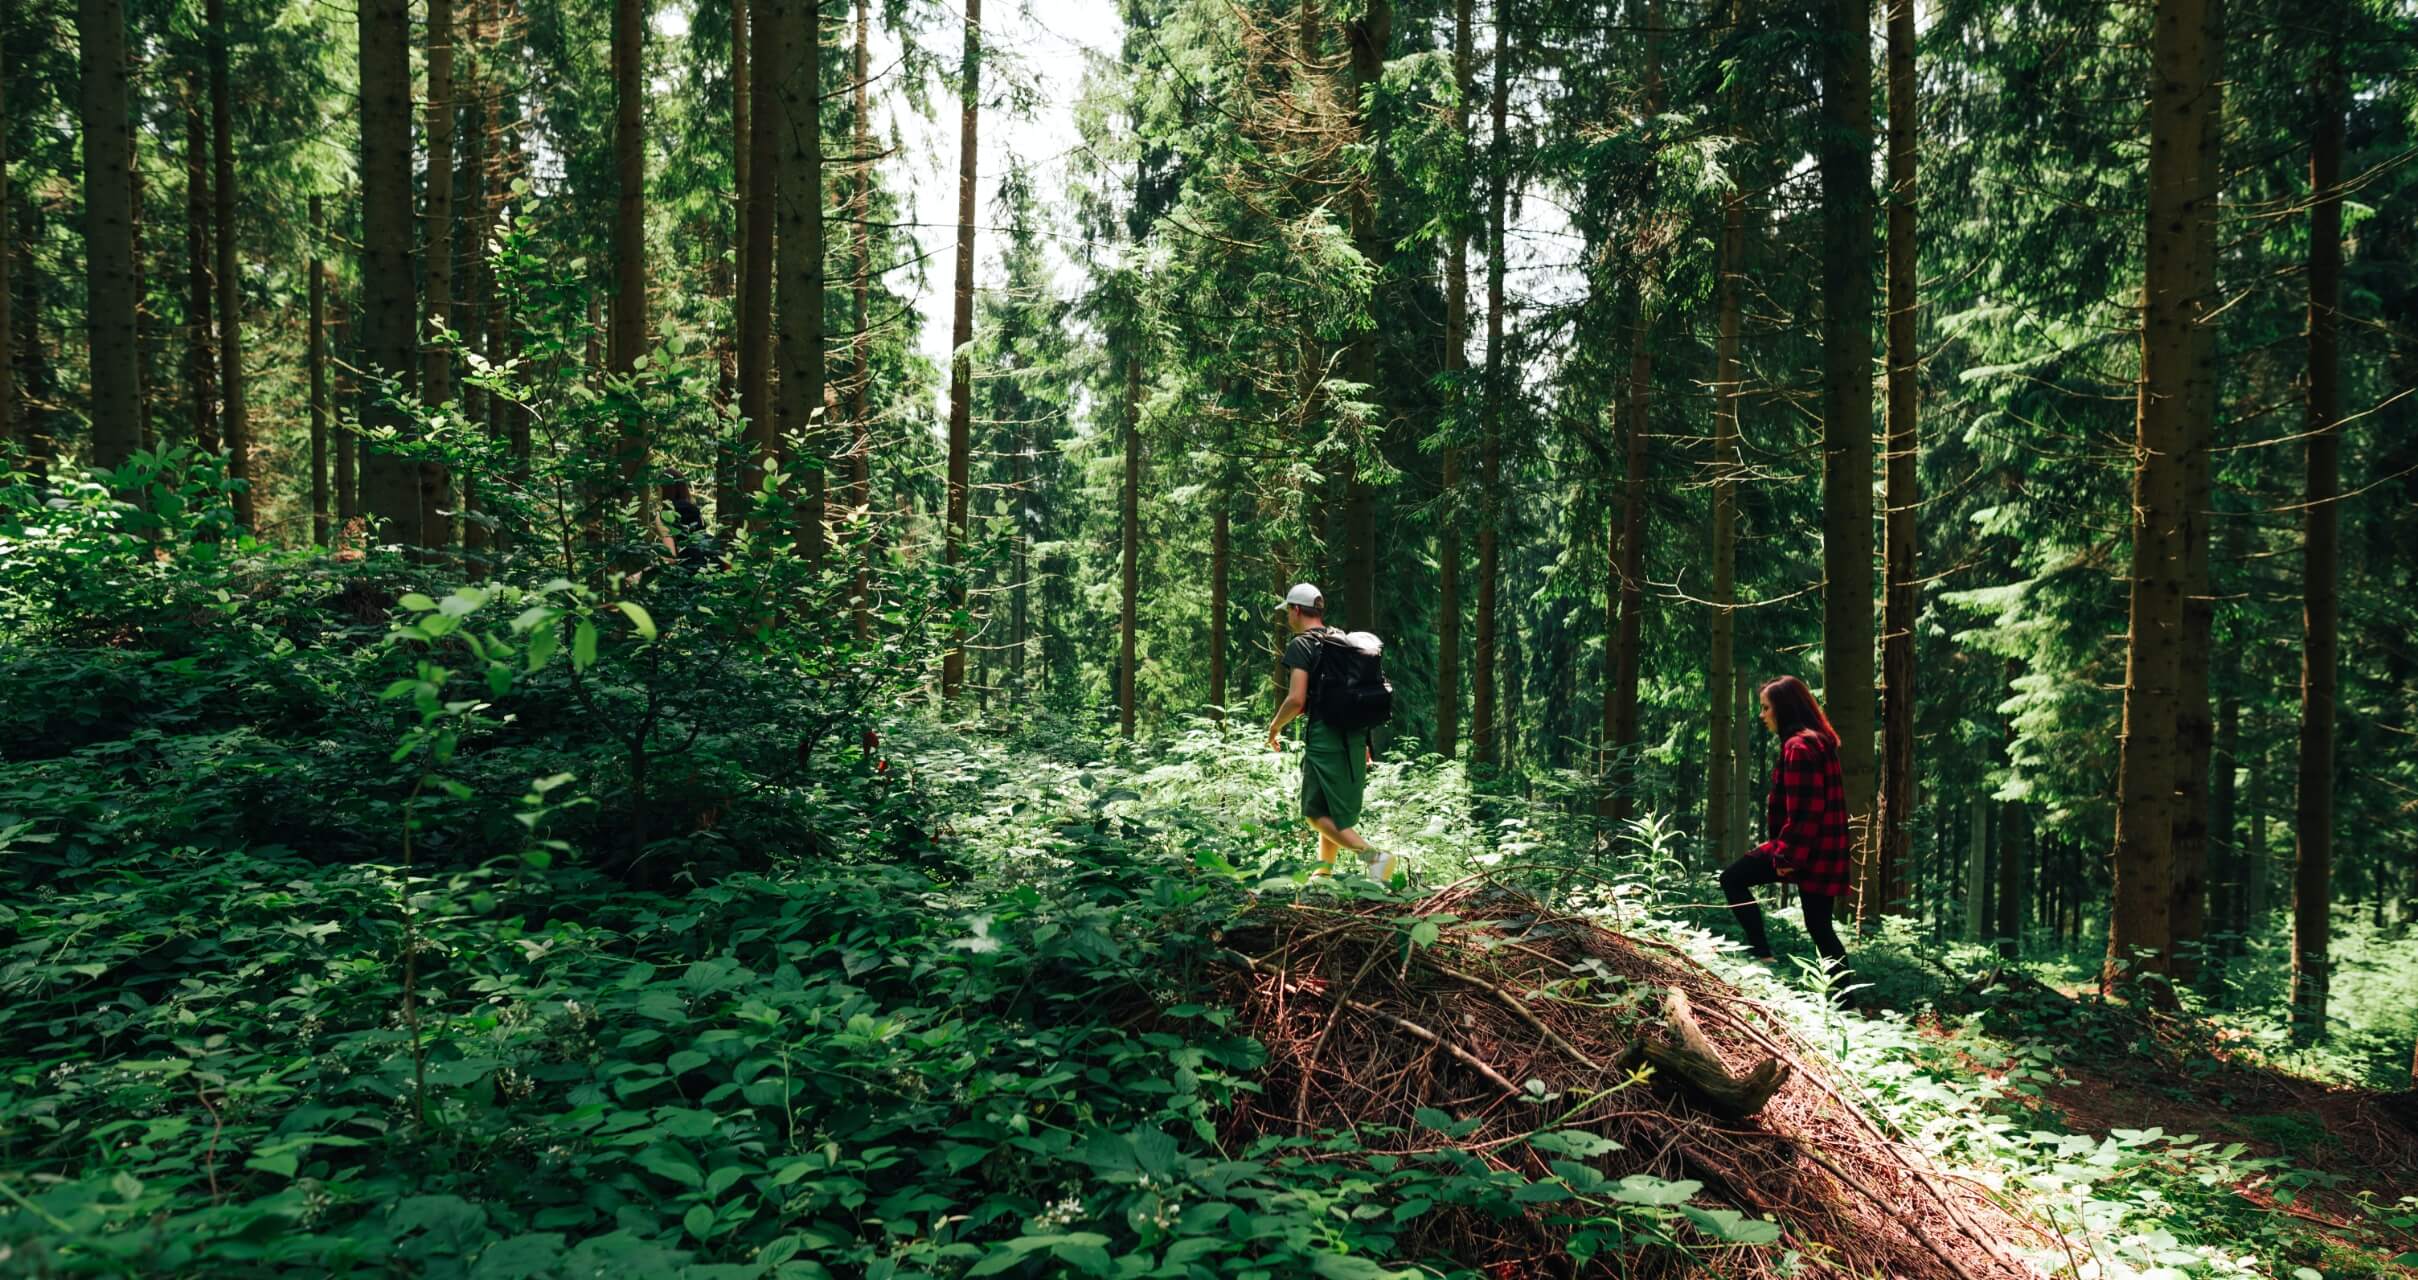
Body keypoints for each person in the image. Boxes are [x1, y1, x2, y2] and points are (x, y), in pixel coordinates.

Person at [1719, 676, 1852, 987]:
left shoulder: (1799, 747)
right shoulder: (1818, 740)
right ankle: (1847, 1004)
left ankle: (1762, 956)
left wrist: (1787, 856)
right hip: (1823, 850)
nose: (1762, 715)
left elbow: (1806, 811)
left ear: (1784, 709)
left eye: (1766, 708)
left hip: (1806, 849)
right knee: (1820, 927)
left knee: (1732, 878)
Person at [1266, 583, 1393, 878]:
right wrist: (1362, 742)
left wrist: (1274, 728)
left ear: (1297, 610)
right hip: (1352, 735)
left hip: (1325, 734)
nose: (1287, 617)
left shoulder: (1302, 645)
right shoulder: (1340, 639)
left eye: (1288, 611)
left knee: (1313, 812)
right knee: (1330, 809)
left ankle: (1376, 859)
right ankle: (1323, 874)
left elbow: (1297, 700)